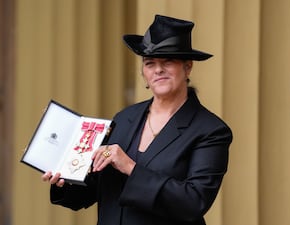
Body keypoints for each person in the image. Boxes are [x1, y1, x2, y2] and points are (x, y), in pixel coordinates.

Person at [42, 14, 233, 225]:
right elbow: (92, 191)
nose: (158, 69)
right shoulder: (124, 118)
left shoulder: (210, 130)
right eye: (150, 63)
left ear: (187, 67)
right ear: (143, 72)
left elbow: (193, 203)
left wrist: (130, 166)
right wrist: (65, 179)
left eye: (168, 61)